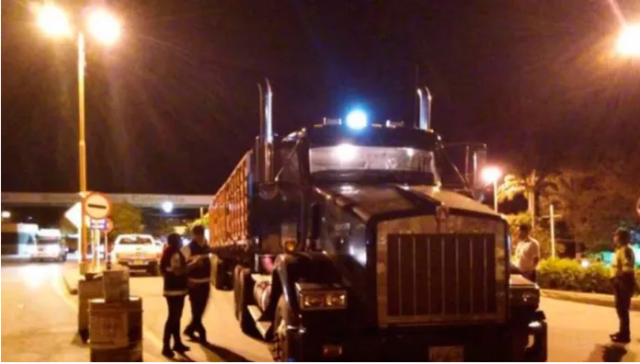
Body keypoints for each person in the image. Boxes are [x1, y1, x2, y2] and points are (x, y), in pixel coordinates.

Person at [160, 233, 191, 358]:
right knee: (173, 318)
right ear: (176, 242)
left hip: (172, 289)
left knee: (176, 317)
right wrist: (191, 266)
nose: (181, 242)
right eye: (179, 240)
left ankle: (177, 343)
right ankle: (166, 346)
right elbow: (178, 271)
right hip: (175, 290)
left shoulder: (168, 252)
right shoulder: (174, 253)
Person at [181, 225, 212, 343]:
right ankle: (201, 333)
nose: (200, 236)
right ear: (194, 235)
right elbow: (182, 268)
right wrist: (193, 265)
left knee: (201, 309)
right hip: (194, 284)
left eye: (201, 234)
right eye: (198, 234)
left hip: (205, 283)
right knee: (196, 311)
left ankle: (190, 329)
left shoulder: (207, 247)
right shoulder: (187, 249)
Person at [610, 228, 636, 344]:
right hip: (620, 283)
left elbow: (627, 269)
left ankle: (625, 335)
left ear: (620, 238)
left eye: (616, 236)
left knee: (623, 310)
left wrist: (618, 279)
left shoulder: (626, 250)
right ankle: (622, 332)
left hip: (623, 283)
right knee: (621, 310)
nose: (614, 238)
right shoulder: (621, 250)